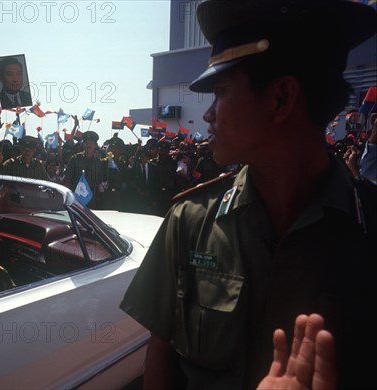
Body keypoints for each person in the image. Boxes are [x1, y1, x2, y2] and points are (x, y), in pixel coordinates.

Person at [120, 1, 377, 388]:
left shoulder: (369, 228)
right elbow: (162, 354)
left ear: (281, 99)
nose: (208, 114)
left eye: (220, 91)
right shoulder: (191, 221)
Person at [63, 130, 104, 209]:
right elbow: (67, 179)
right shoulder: (75, 159)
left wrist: (98, 197)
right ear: (83, 144)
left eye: (90, 143)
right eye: (86, 143)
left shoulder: (98, 162)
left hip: (91, 197)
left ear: (95, 145)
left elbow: (98, 181)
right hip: (76, 195)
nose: (88, 145)